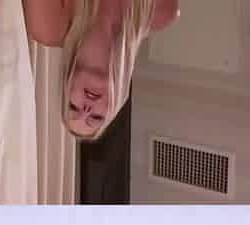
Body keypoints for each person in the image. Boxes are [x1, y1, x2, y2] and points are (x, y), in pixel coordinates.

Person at [23, 0, 180, 139]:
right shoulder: (160, 12)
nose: (86, 110)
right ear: (115, 106)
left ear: (66, 89)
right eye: (96, 117)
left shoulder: (49, 27)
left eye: (73, 107)